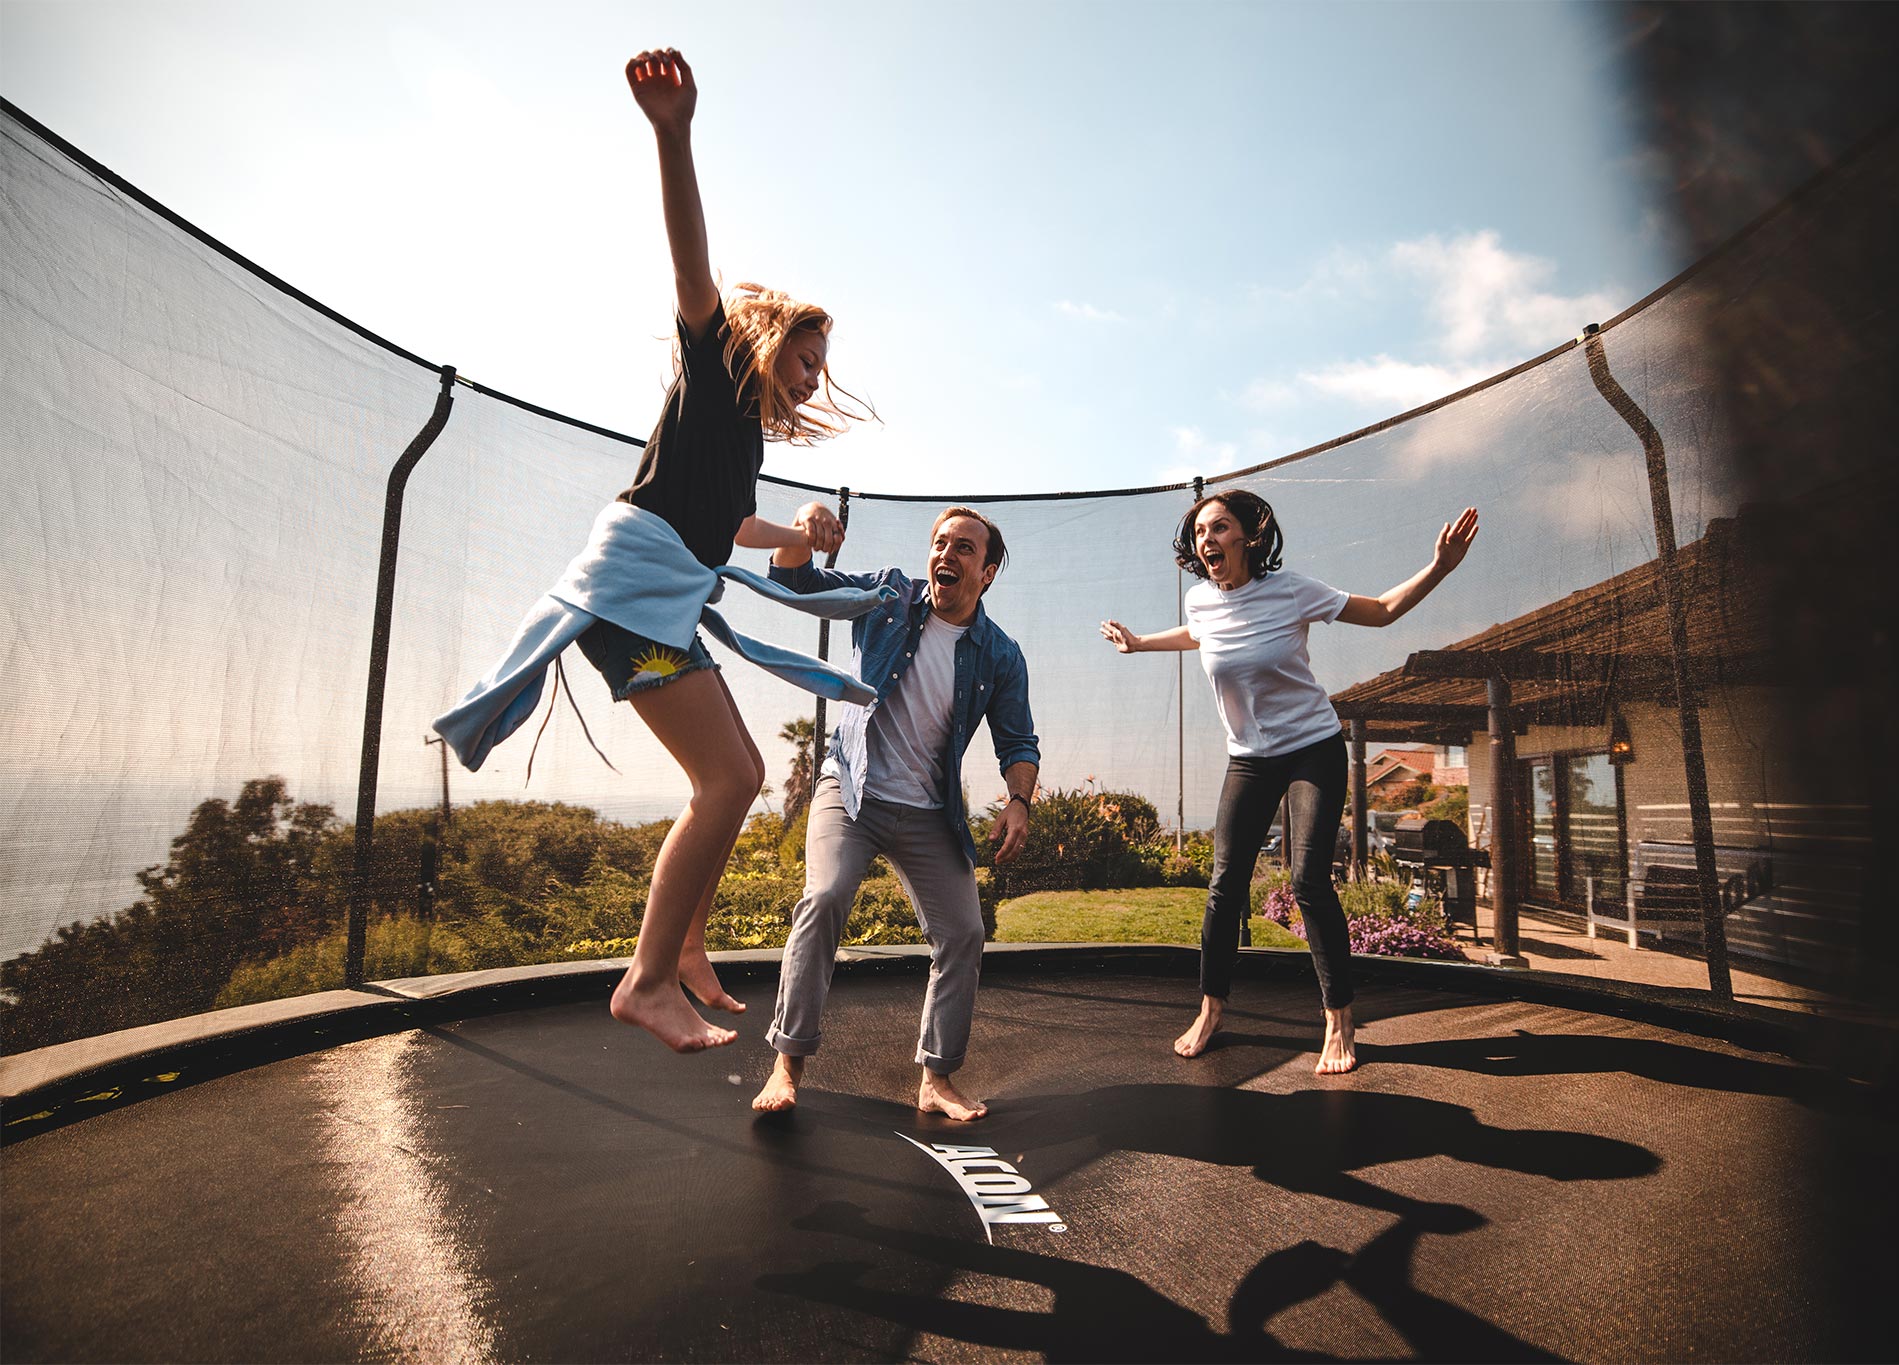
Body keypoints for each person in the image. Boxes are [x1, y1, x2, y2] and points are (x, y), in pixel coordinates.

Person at [433, 49, 884, 1057]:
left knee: (736, 774)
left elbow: (729, 533)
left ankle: (682, 953)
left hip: (661, 600)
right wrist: (673, 135)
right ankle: (644, 980)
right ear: (763, 340)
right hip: (632, 600)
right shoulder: (715, 363)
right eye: (806, 359)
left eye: (822, 368)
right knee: (724, 784)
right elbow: (691, 266)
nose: (815, 380)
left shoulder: (738, 438)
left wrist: (796, 535)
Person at [1100, 491, 1477, 1074]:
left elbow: (1379, 611)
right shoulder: (1202, 601)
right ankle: (1210, 1009)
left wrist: (1440, 567)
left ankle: (1338, 1016)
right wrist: (1140, 642)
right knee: (1225, 884)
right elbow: (1197, 633)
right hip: (1249, 758)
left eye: (1219, 527)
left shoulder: (1291, 590)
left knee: (1307, 880)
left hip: (1312, 751)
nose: (1207, 540)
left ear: (1248, 536)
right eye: (1199, 532)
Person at [751, 504, 1040, 1120]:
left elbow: (1018, 743)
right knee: (825, 898)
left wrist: (1019, 801)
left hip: (929, 811)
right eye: (940, 543)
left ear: (987, 572)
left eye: (965, 548)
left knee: (963, 933)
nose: (947, 555)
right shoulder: (887, 597)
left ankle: (937, 1080)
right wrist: (804, 526)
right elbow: (794, 584)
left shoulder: (999, 654)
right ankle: (787, 1062)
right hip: (850, 791)